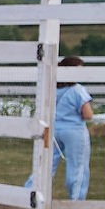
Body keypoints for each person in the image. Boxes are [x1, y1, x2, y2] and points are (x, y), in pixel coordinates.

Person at [29, 57, 95, 200]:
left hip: (52, 129)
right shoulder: (78, 90)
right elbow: (88, 114)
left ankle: (30, 191)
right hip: (74, 130)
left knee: (45, 164)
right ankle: (76, 198)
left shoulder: (50, 89)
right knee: (77, 166)